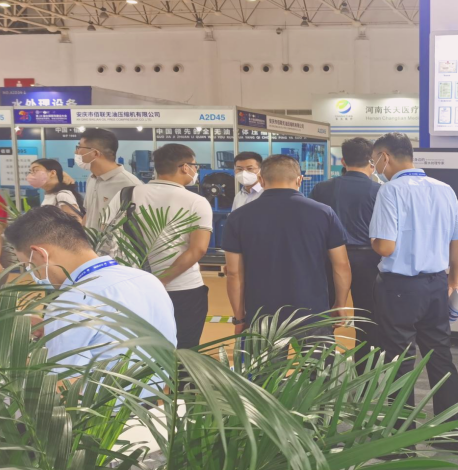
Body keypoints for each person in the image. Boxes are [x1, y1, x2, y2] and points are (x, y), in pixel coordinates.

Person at [369, 132, 458, 447]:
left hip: (400, 287)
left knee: (399, 361)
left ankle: (400, 442)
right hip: (436, 284)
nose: (375, 166)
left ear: (385, 156)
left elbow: (385, 246)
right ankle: (453, 436)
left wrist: (372, 241)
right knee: (440, 356)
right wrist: (453, 281)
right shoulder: (445, 189)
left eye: (374, 160)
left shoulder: (390, 191)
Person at [4, 206, 176, 369]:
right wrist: (52, 328)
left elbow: (61, 383)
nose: (32, 274)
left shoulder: (71, 302)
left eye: (28, 265)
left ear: (41, 254)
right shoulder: (147, 280)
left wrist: (9, 357)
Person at [223, 154, 351, 345]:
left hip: (262, 313)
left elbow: (234, 273)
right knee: (317, 364)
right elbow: (341, 264)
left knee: (268, 365)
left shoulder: (238, 217)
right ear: (299, 180)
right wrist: (340, 304)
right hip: (312, 311)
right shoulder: (324, 213)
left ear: (261, 179)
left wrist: (240, 318)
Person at [106, 143, 213, 349]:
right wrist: (161, 281)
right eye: (194, 166)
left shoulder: (125, 195)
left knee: (141, 350)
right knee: (183, 352)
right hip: (182, 289)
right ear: (185, 167)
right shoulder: (196, 201)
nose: (195, 170)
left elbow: (109, 238)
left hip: (135, 288)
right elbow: (198, 249)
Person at [309, 138, 383, 357]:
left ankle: (320, 368)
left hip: (328, 260)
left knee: (323, 318)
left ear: (343, 161)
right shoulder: (379, 191)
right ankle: (366, 371)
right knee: (368, 319)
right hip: (369, 261)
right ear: (371, 161)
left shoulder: (322, 189)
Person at [77, 128, 142, 231]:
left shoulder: (130, 184)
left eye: (79, 147)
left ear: (95, 153)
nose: (76, 152)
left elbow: (140, 225)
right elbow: (88, 214)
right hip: (90, 241)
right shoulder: (92, 178)